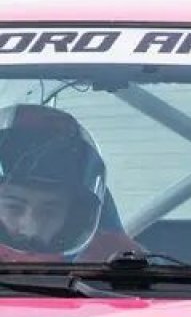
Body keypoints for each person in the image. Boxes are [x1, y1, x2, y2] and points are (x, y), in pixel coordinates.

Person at [0, 104, 141, 262]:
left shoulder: (112, 261)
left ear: (72, 215)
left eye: (49, 212)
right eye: (14, 207)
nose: (31, 229)